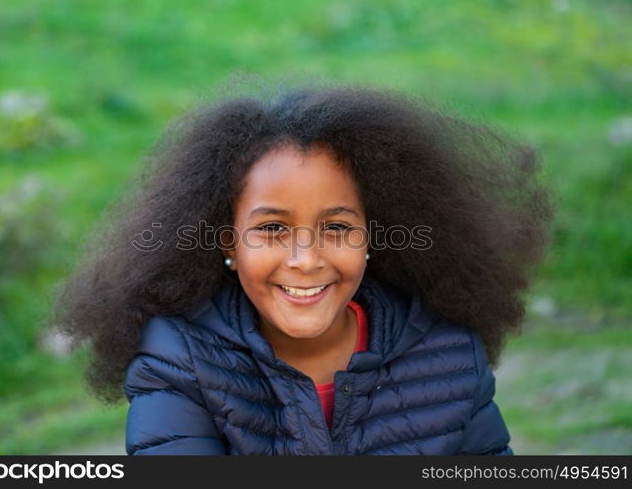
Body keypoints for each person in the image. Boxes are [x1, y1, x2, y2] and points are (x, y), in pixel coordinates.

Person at [50, 82, 553, 455]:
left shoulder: (447, 353)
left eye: (337, 228)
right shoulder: (178, 360)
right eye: (272, 230)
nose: (306, 259)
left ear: (372, 236)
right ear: (228, 241)